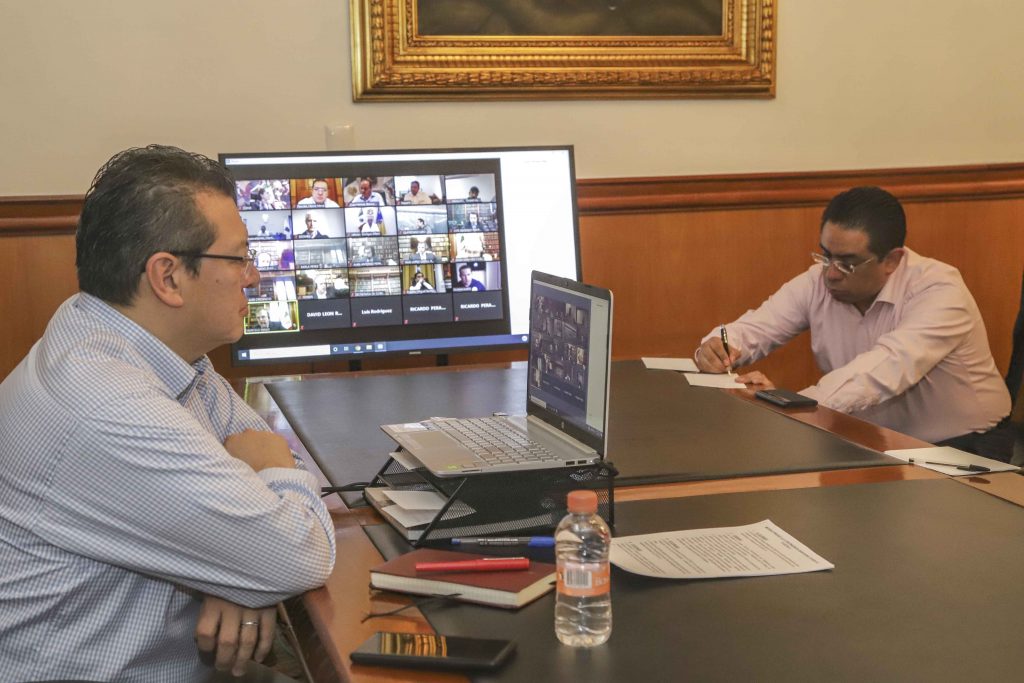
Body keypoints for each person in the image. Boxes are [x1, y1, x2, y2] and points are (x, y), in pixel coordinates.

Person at [0, 145, 336, 681]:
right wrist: (252, 553)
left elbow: (241, 430)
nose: (253, 277)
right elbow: (298, 555)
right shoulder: (105, 403)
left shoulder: (122, 334)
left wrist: (234, 571)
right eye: (240, 257)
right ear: (168, 277)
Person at [694, 186, 1011, 452]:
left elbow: (881, 371)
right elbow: (755, 327)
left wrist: (786, 405)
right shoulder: (819, 280)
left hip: (961, 446)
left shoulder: (939, 290)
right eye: (825, 255)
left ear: (892, 260)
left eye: (847, 263)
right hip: (867, 438)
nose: (830, 273)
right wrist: (719, 347)